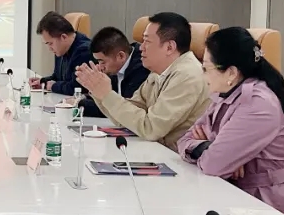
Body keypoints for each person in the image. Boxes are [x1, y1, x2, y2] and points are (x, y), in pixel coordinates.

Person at [176, 27, 284, 215]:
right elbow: (184, 140)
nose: (203, 75)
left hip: (274, 205)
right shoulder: (226, 94)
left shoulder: (257, 104)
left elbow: (213, 164)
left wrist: (222, 155)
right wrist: (210, 147)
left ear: (231, 73)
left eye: (206, 68)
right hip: (242, 194)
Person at [75, 12, 209, 151]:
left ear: (169, 47)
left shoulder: (188, 76)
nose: (141, 47)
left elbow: (150, 128)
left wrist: (107, 95)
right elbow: (127, 118)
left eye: (147, 42)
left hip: (176, 158)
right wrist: (98, 91)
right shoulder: (158, 73)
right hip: (157, 151)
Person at [74, 27, 149, 118]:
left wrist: (79, 104)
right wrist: (88, 94)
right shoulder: (116, 68)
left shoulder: (142, 69)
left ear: (121, 56)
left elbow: (120, 108)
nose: (100, 66)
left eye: (102, 62)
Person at [29, 11, 92, 96]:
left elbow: (76, 88)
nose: (50, 49)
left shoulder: (84, 51)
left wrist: (52, 86)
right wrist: (42, 82)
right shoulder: (62, 49)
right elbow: (57, 78)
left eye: (50, 43)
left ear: (63, 37)